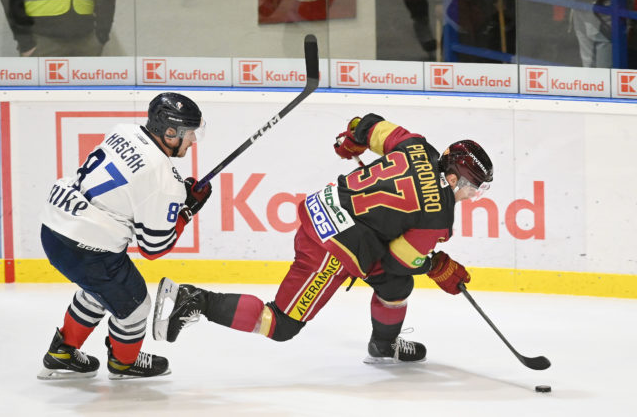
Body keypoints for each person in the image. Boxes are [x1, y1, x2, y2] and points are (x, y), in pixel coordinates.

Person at [153, 113, 493, 364]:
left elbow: (370, 125)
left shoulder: (415, 145)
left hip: (321, 208)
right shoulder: (439, 217)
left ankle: (384, 345)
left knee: (396, 287)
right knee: (281, 324)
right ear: (452, 178)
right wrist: (434, 265)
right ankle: (194, 299)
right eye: (473, 188)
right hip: (333, 248)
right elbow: (397, 261)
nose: (474, 196)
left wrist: (353, 139)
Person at [37, 92, 212, 380]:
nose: (193, 140)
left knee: (100, 292)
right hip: (87, 249)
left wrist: (179, 200)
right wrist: (188, 210)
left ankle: (62, 352)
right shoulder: (164, 181)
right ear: (170, 133)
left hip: (55, 228)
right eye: (189, 133)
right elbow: (154, 248)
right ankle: (123, 363)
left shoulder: (124, 131)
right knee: (135, 305)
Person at [0, 0, 116, 57]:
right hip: (41, 41)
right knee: (40, 101)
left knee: (88, 100)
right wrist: (25, 41)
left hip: (87, 40)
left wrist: (102, 33)